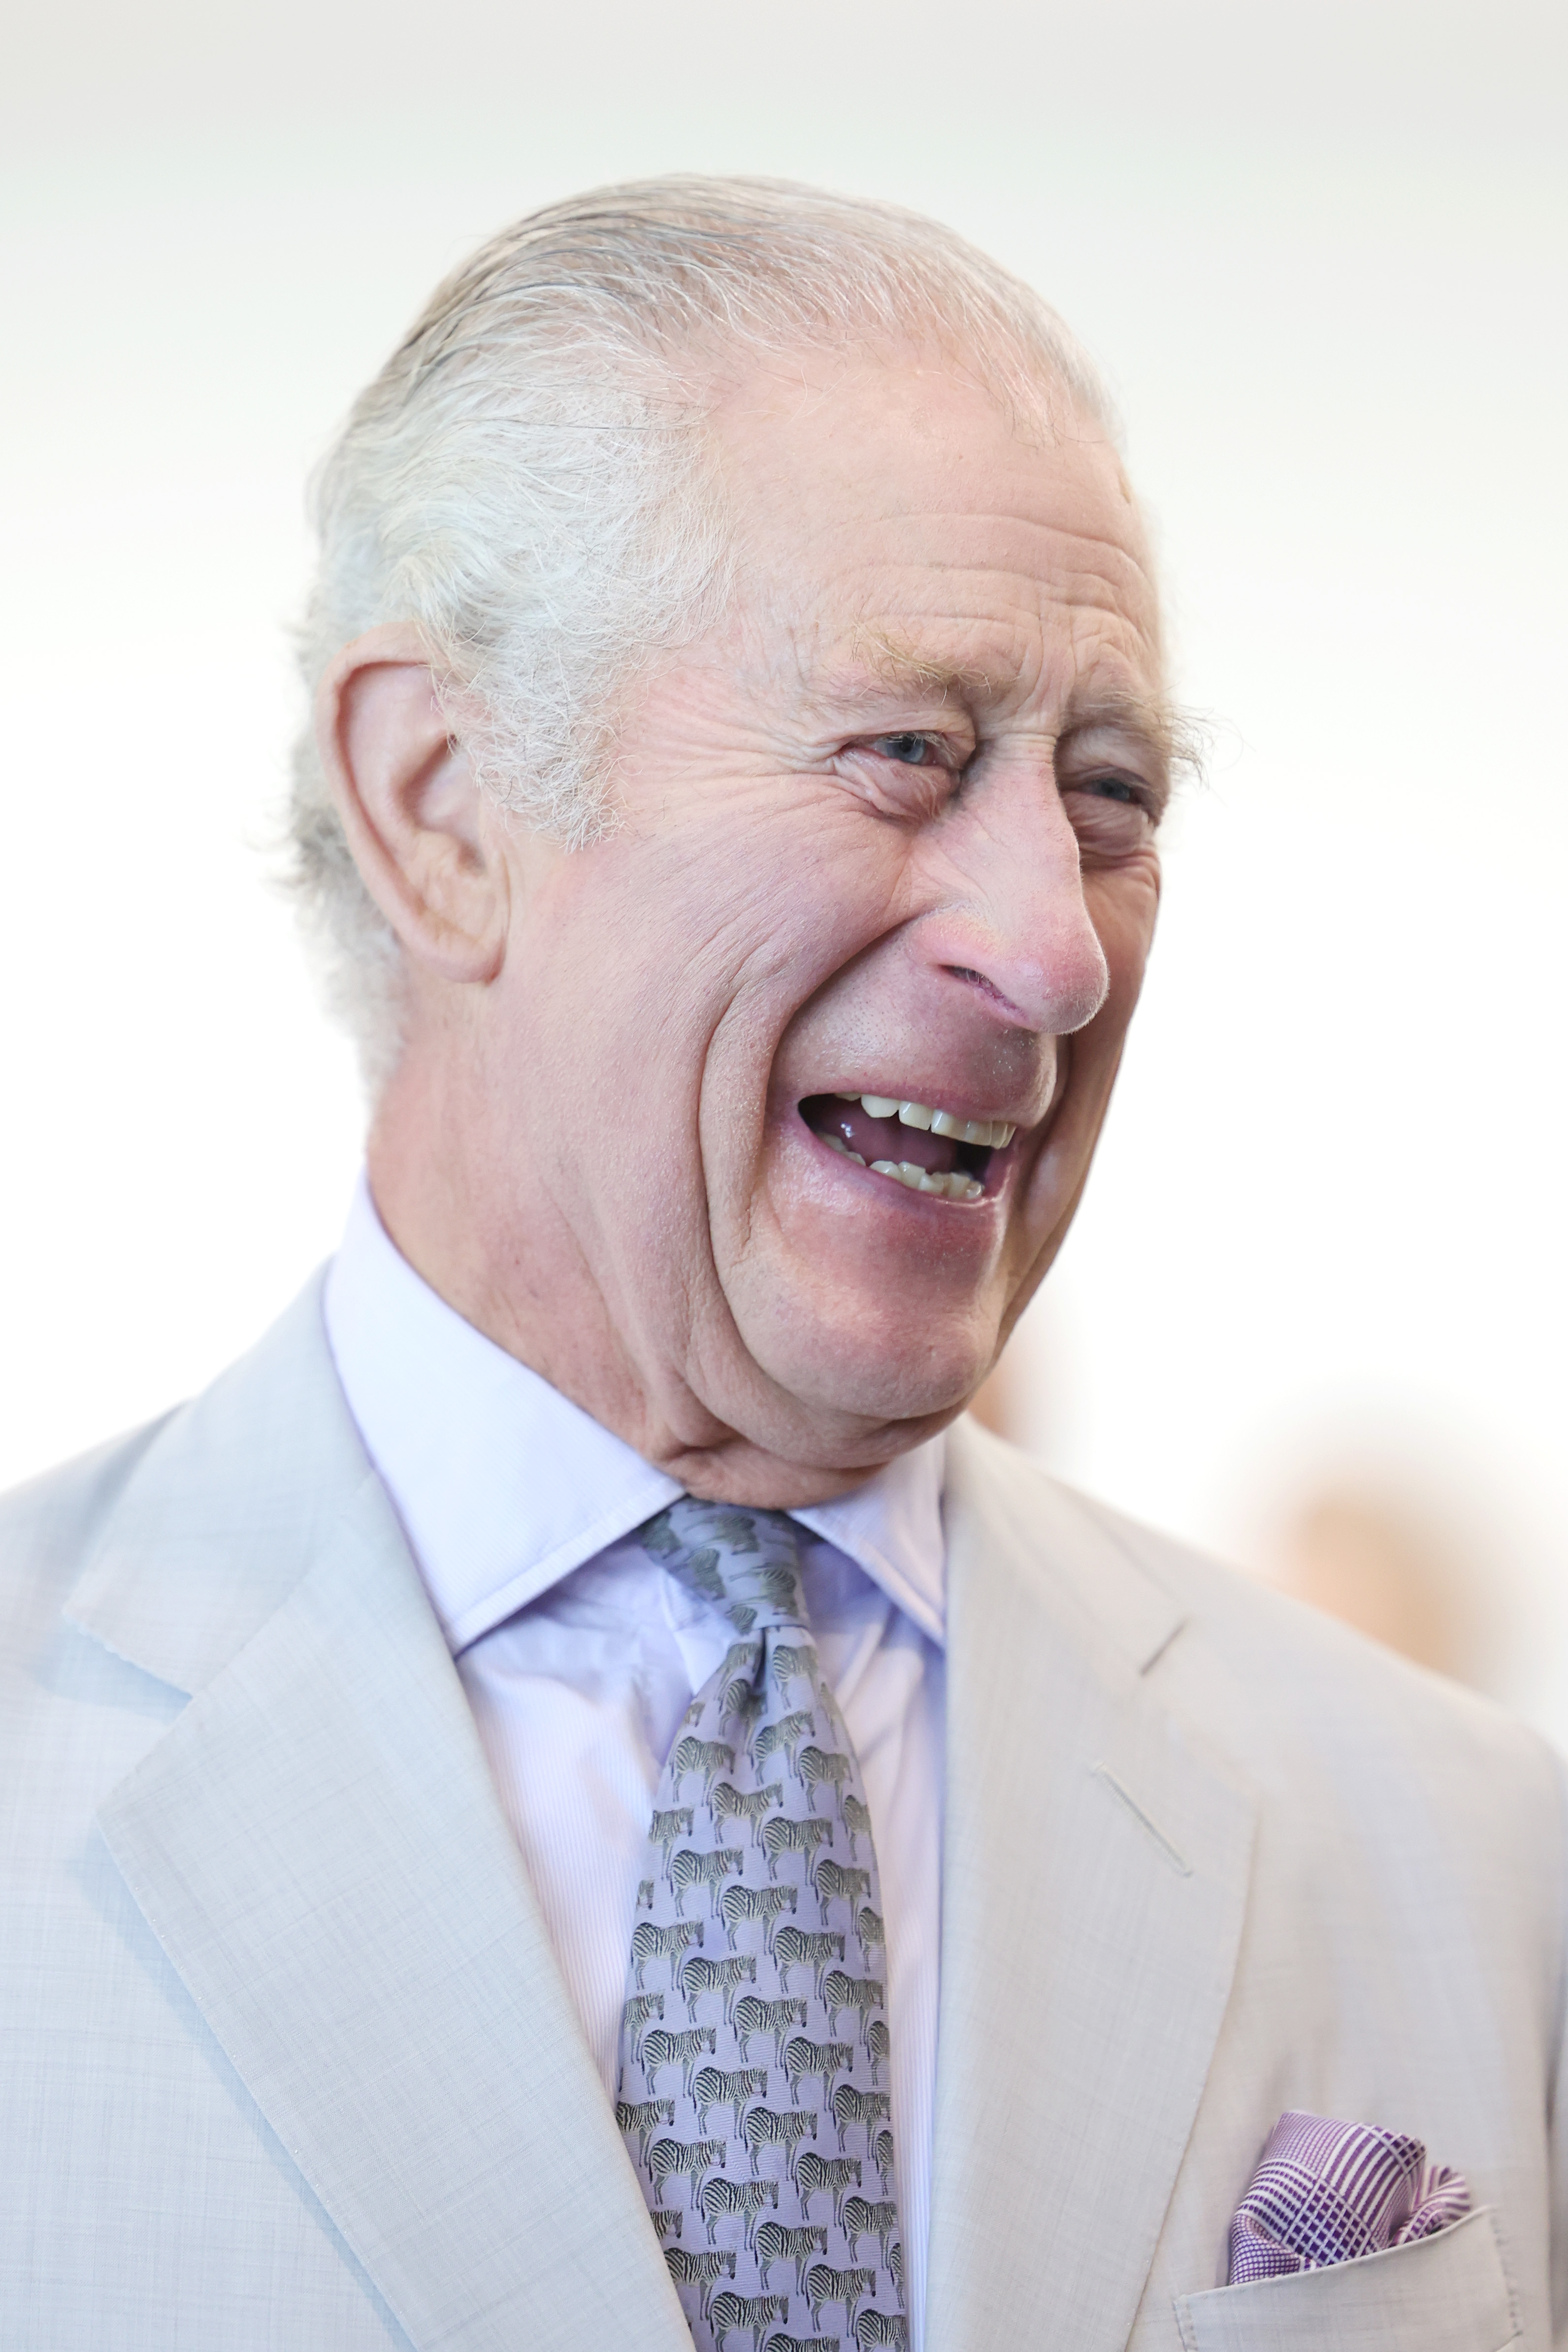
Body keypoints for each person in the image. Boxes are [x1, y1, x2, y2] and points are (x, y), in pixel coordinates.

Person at [1, 177, 1562, 2352]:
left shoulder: (1475, 1861)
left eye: (1109, 795)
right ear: (444, 805)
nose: (1047, 949)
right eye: (906, 754)